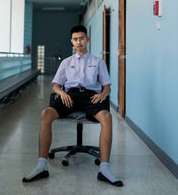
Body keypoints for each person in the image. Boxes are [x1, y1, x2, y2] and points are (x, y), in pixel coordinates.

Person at [22, 25, 123, 187]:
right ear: (72, 41)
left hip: (91, 96)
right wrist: (61, 93)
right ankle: (42, 165)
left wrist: (103, 94)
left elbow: (107, 86)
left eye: (82, 38)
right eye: (75, 39)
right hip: (70, 96)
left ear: (87, 39)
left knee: (107, 117)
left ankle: (104, 169)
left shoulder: (98, 62)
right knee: (46, 113)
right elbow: (56, 85)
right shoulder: (66, 63)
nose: (79, 42)